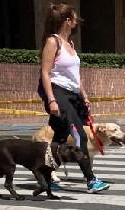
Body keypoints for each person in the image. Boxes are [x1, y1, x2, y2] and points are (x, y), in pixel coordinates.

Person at [39, 3, 109, 193]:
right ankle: (91, 180)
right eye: (75, 18)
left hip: (73, 95)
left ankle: (45, 174)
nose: (77, 21)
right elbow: (45, 73)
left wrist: (83, 94)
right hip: (58, 93)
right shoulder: (53, 42)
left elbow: (74, 75)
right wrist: (52, 100)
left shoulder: (70, 43)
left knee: (61, 138)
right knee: (79, 135)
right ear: (67, 21)